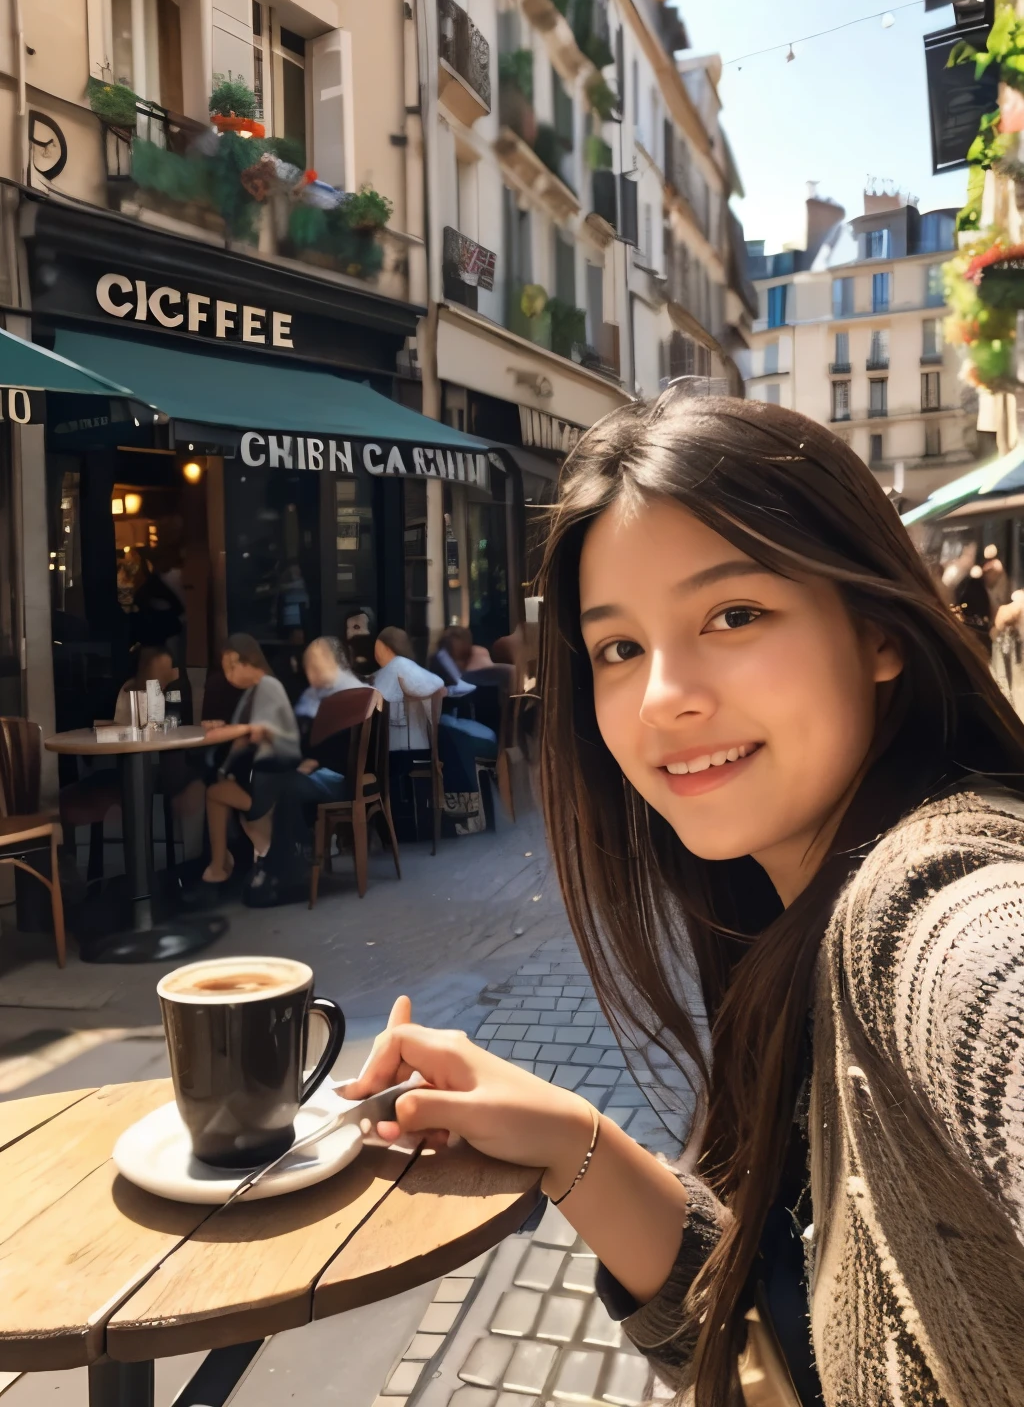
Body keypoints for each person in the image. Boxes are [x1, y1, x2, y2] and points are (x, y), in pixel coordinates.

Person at [341, 393, 1024, 1407]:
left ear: (878, 631)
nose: (662, 695)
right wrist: (576, 1144)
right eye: (618, 648)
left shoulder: (925, 903)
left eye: (733, 614)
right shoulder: (786, 928)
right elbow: (777, 1331)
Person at [244, 637, 366, 905]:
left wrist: (315, 760)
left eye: (314, 664)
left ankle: (281, 868)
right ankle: (278, 860)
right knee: (269, 776)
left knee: (279, 783)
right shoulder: (326, 693)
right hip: (325, 770)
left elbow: (346, 744)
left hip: (339, 777)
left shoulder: (349, 693)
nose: (309, 672)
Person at [200, 634, 300, 883]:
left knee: (214, 792)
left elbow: (256, 731)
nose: (228, 675)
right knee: (215, 785)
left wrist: (233, 731)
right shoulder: (258, 689)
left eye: (232, 667)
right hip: (265, 774)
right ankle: (220, 863)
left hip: (271, 780)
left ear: (248, 662)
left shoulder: (267, 687)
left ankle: (219, 864)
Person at [376, 627, 497, 826]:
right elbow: (436, 687)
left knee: (450, 735)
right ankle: (463, 804)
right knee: (452, 737)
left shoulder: (387, 672)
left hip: (391, 748)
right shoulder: (404, 666)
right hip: (412, 747)